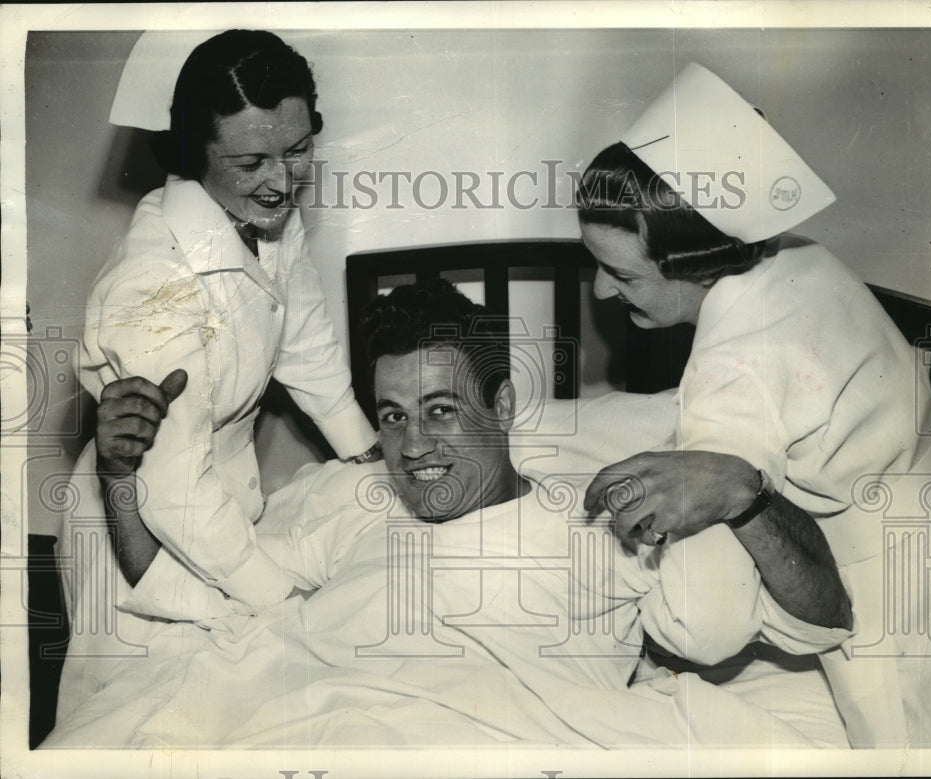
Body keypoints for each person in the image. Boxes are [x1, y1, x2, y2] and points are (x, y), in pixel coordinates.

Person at [46, 279, 853, 748]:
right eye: (393, 416)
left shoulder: (600, 519)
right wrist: (121, 474)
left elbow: (821, 618)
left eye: (440, 409)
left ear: (501, 405)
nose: (413, 445)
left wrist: (747, 495)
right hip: (279, 723)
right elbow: (191, 597)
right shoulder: (348, 500)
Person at [574, 62, 931, 746]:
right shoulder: (805, 257)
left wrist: (652, 638)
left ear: (692, 262)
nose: (602, 294)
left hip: (901, 624)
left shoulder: (728, 381)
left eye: (619, 273)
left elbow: (709, 626)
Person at [55, 30, 379, 722]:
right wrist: (282, 601)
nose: (283, 180)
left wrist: (367, 450)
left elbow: (304, 340)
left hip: (219, 509)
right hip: (137, 526)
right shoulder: (153, 283)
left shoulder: (263, 216)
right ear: (193, 154)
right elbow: (171, 490)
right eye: (252, 160)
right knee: (149, 720)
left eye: (297, 149)